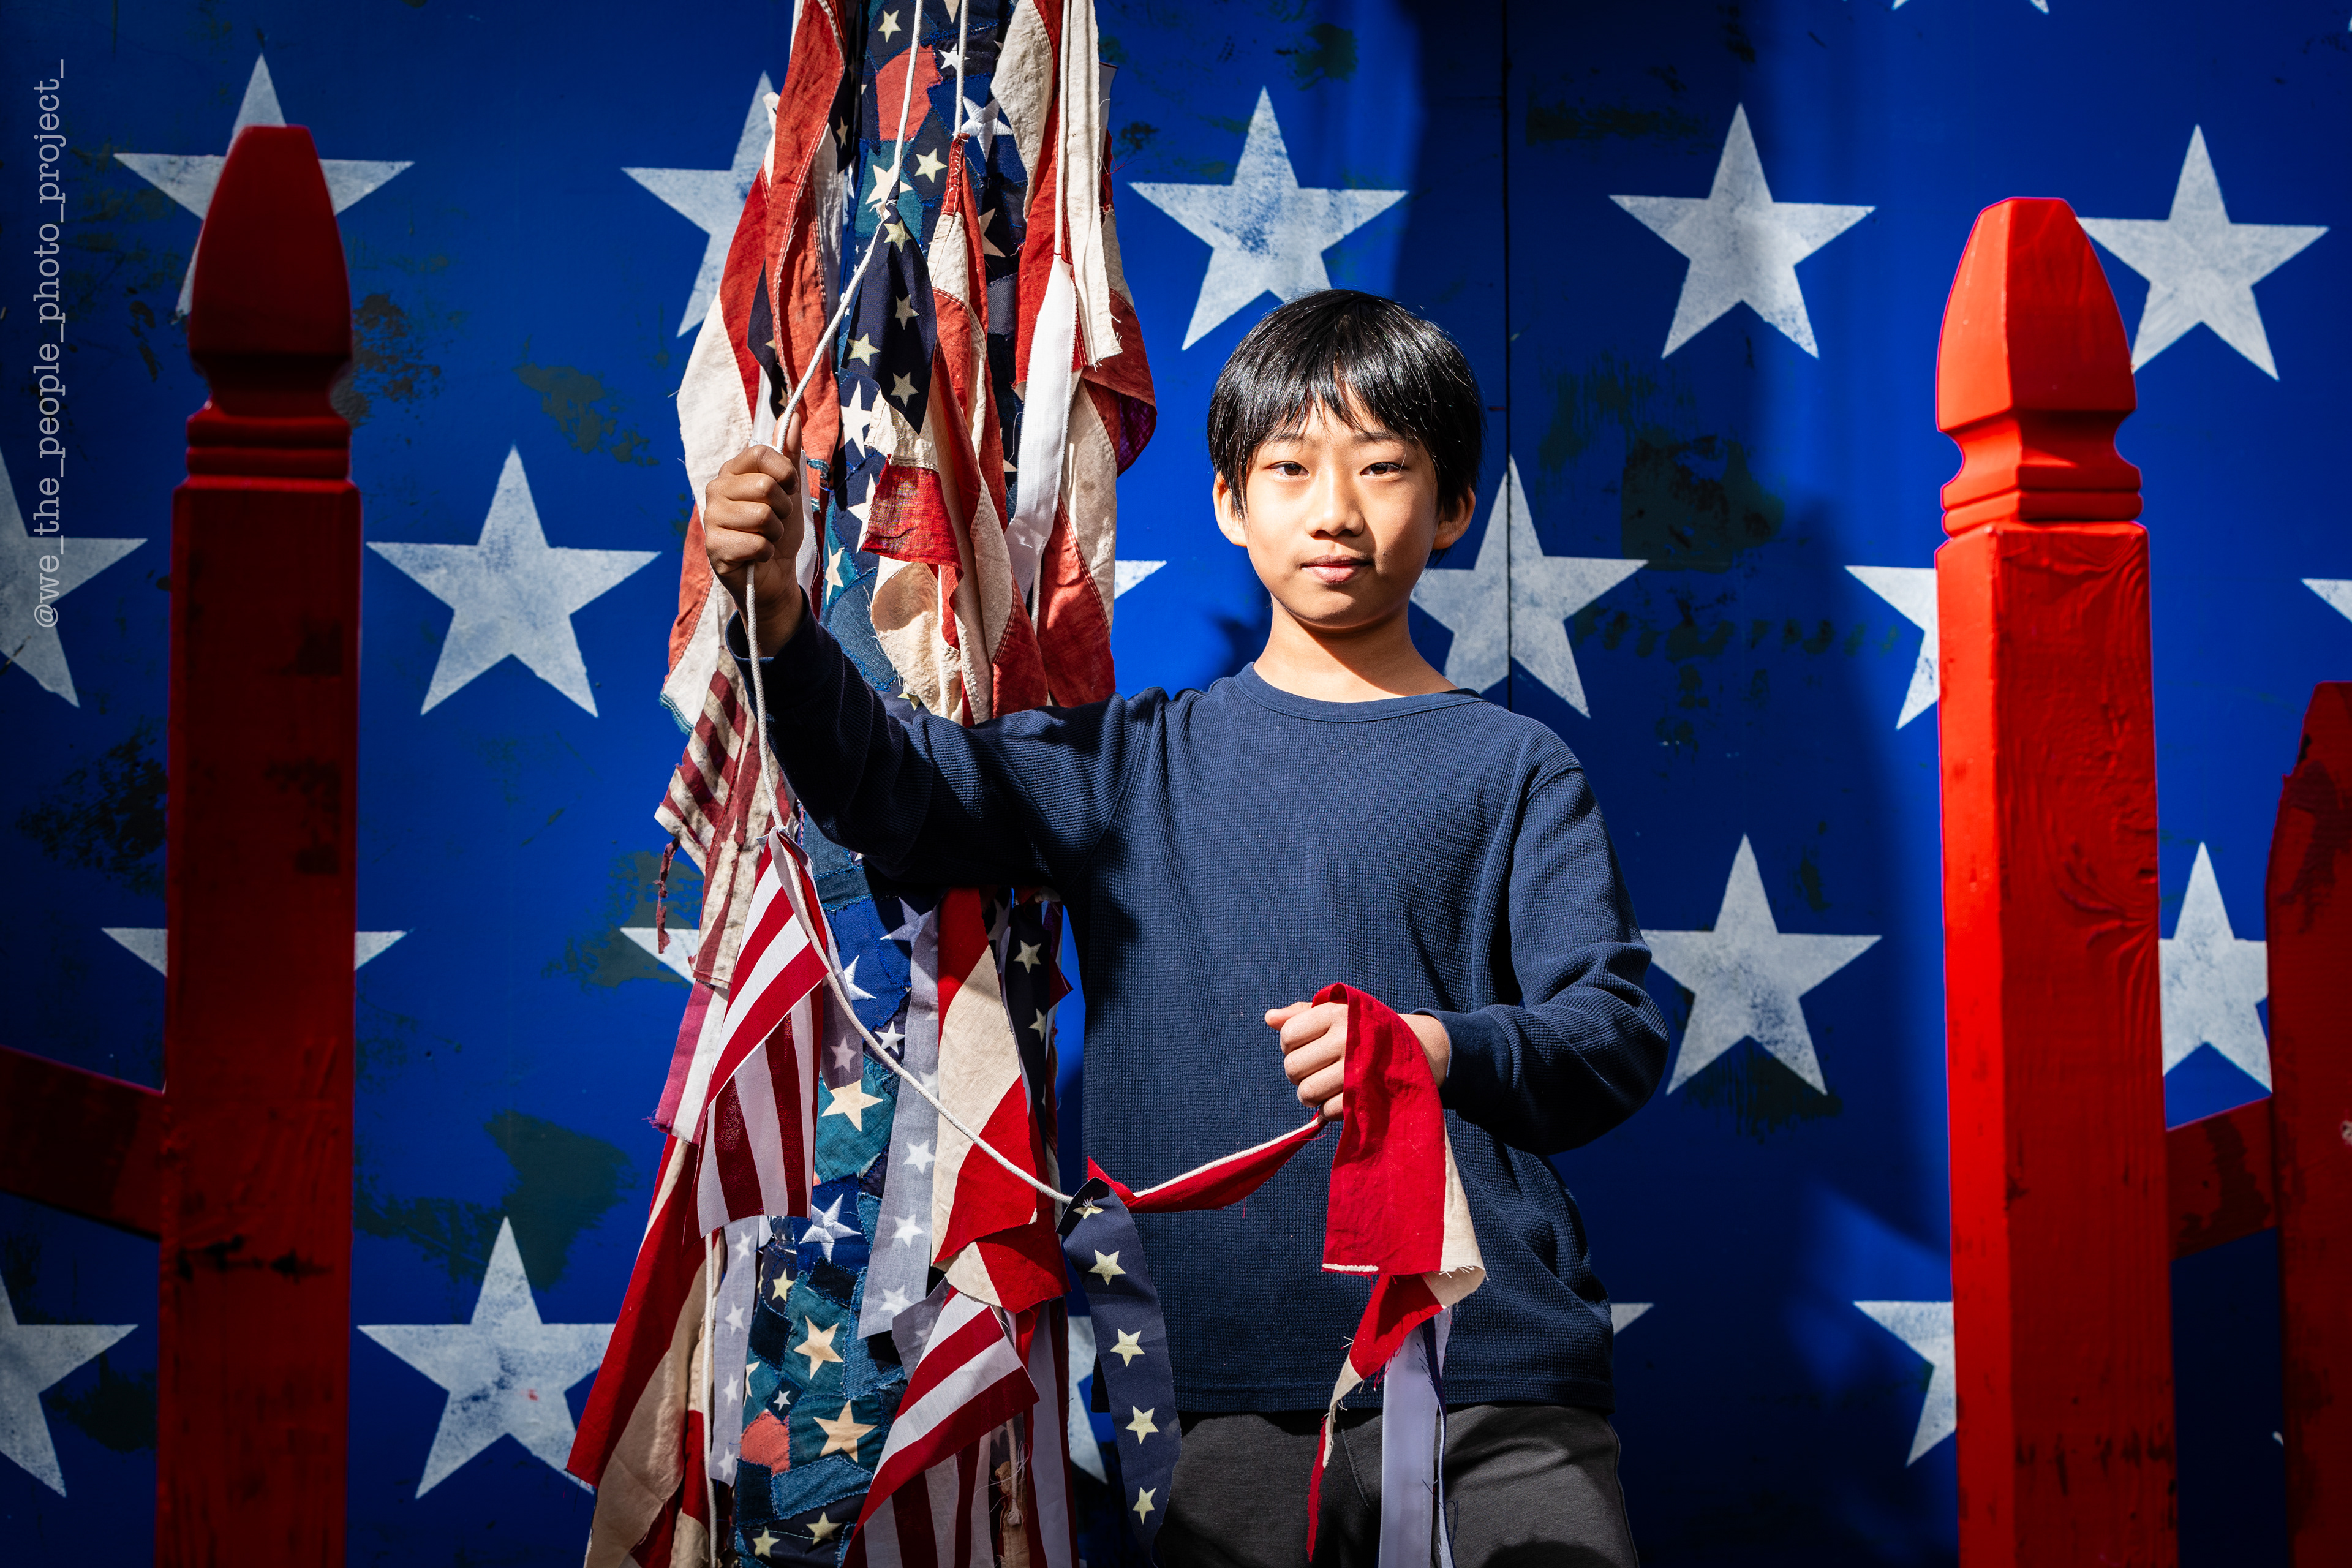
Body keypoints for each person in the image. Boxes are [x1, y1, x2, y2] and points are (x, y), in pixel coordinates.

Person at [702, 290, 1667, 1567]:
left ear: (1453, 510)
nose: (1336, 509)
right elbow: (898, 792)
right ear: (1228, 502)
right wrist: (777, 622)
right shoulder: (1131, 763)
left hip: (1492, 1373)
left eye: (1384, 467)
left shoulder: (1516, 766)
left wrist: (1440, 1048)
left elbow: (1615, 1032)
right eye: (1291, 468)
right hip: (1205, 1391)